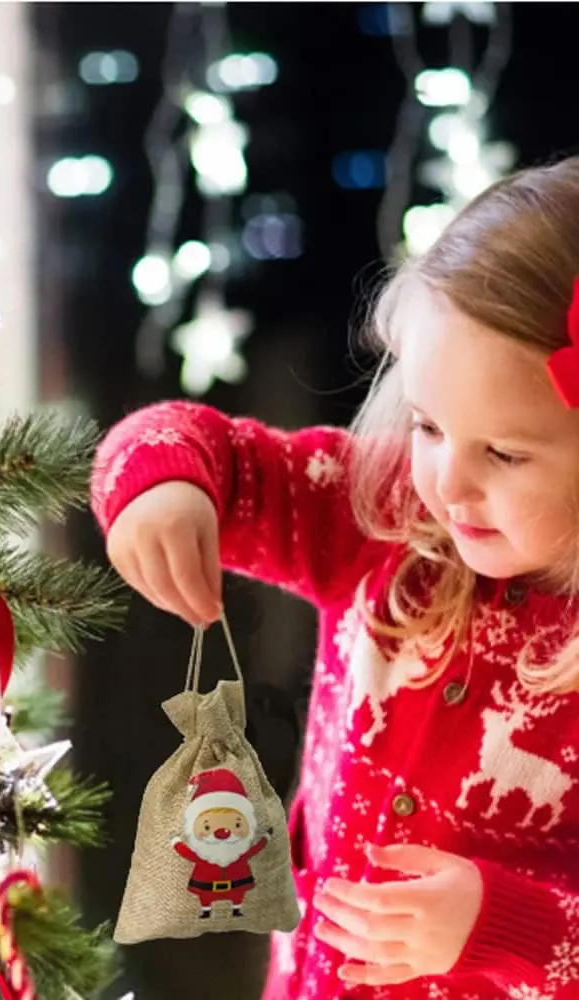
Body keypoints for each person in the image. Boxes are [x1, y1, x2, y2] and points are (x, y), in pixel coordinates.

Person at [90, 157, 579, 999]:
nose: (448, 483)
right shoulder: (387, 518)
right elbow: (198, 443)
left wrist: (509, 923)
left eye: (503, 452)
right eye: (427, 424)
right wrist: (163, 487)